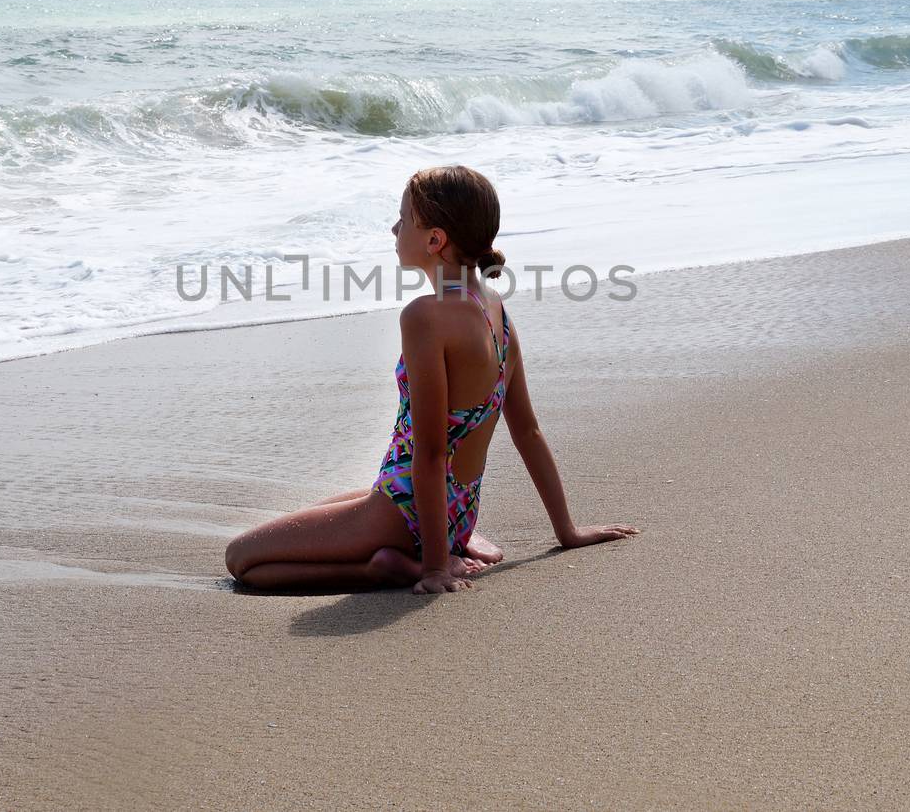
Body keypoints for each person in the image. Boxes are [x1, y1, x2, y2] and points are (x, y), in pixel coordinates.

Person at [224, 165, 638, 594]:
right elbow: (528, 431)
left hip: (408, 515)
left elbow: (432, 452)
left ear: (435, 240)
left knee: (242, 560)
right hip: (457, 513)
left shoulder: (425, 316)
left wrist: (436, 570)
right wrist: (566, 530)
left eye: (403, 219)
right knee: (322, 510)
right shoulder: (497, 310)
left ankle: (388, 568)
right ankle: (432, 548)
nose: (394, 228)